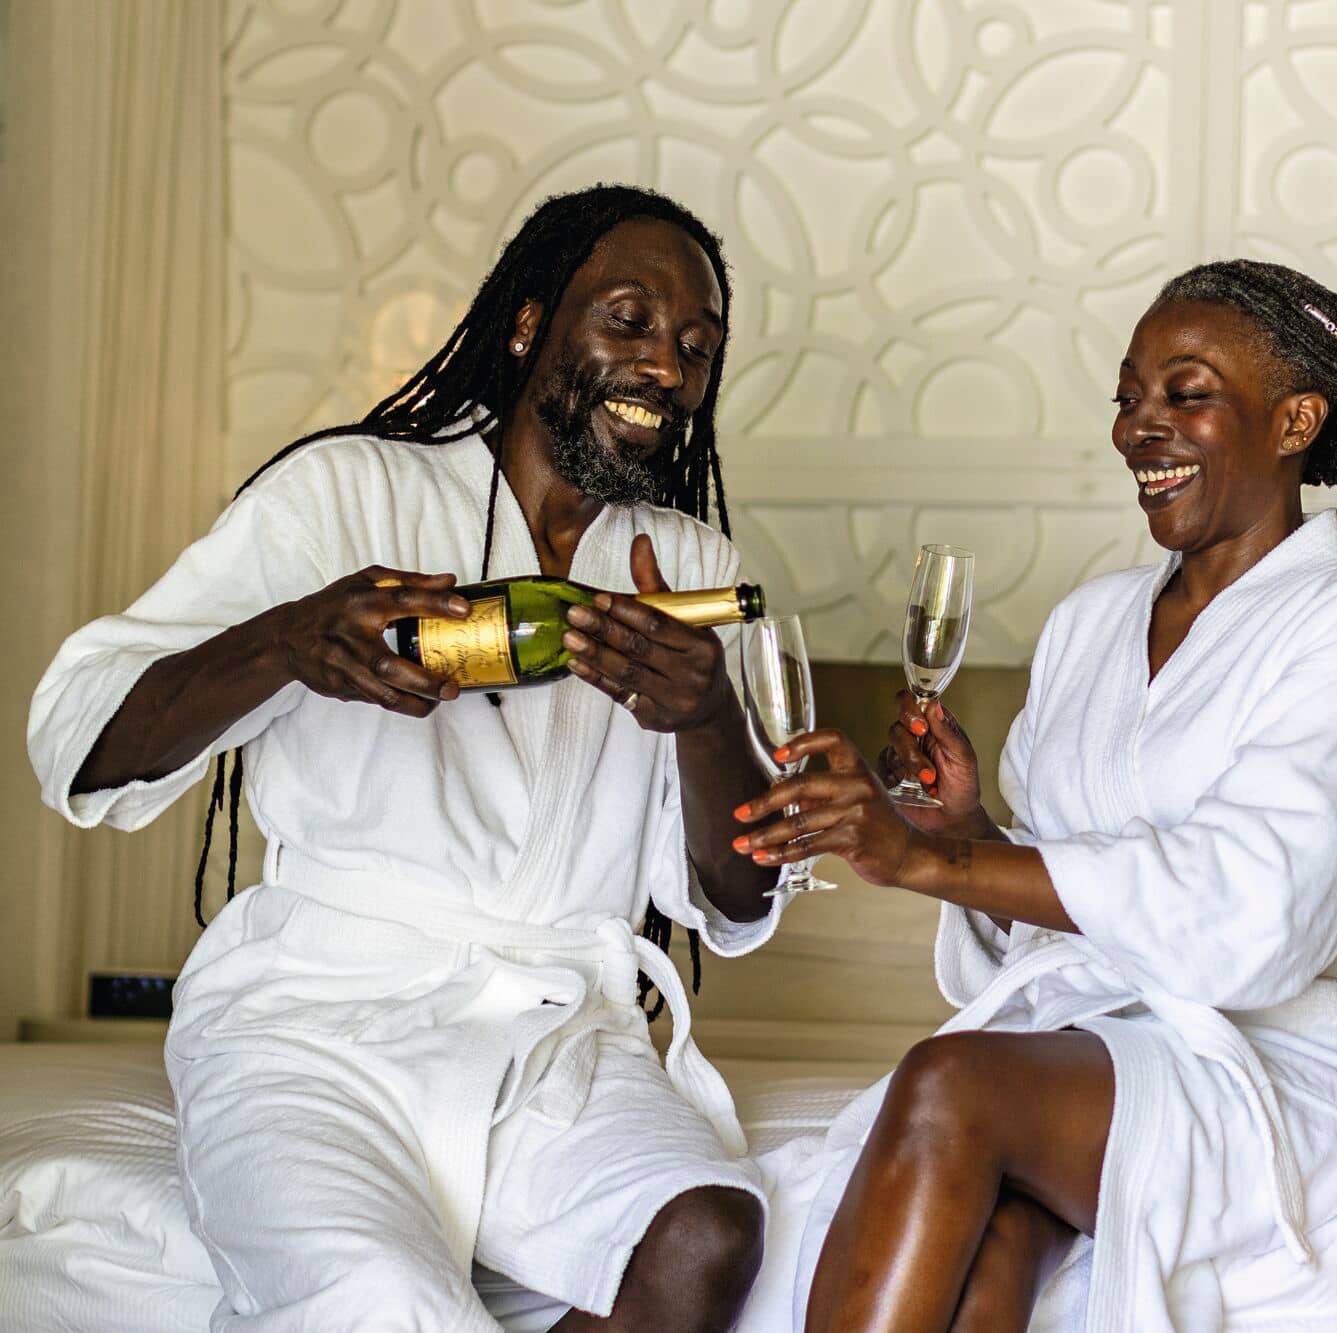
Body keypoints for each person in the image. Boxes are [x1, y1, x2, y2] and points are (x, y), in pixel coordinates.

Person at [27, 184, 783, 1332]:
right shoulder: (345, 493)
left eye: (694, 346)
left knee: (707, 1234)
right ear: (530, 326)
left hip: (556, 1034)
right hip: (318, 1025)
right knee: (384, 1299)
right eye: (626, 322)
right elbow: (76, 734)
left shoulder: (688, 565)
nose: (666, 369)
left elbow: (739, 894)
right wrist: (284, 641)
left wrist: (705, 715)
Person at [732, 259, 1337, 1330]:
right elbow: (1050, 926)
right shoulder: (1090, 621)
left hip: (1265, 1062)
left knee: (949, 1085)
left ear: (1294, 419)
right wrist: (965, 831)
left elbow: (1258, 913)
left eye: (1183, 394)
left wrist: (927, 859)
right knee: (993, 1246)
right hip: (1078, 1044)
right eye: (1126, 397)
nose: (1134, 429)